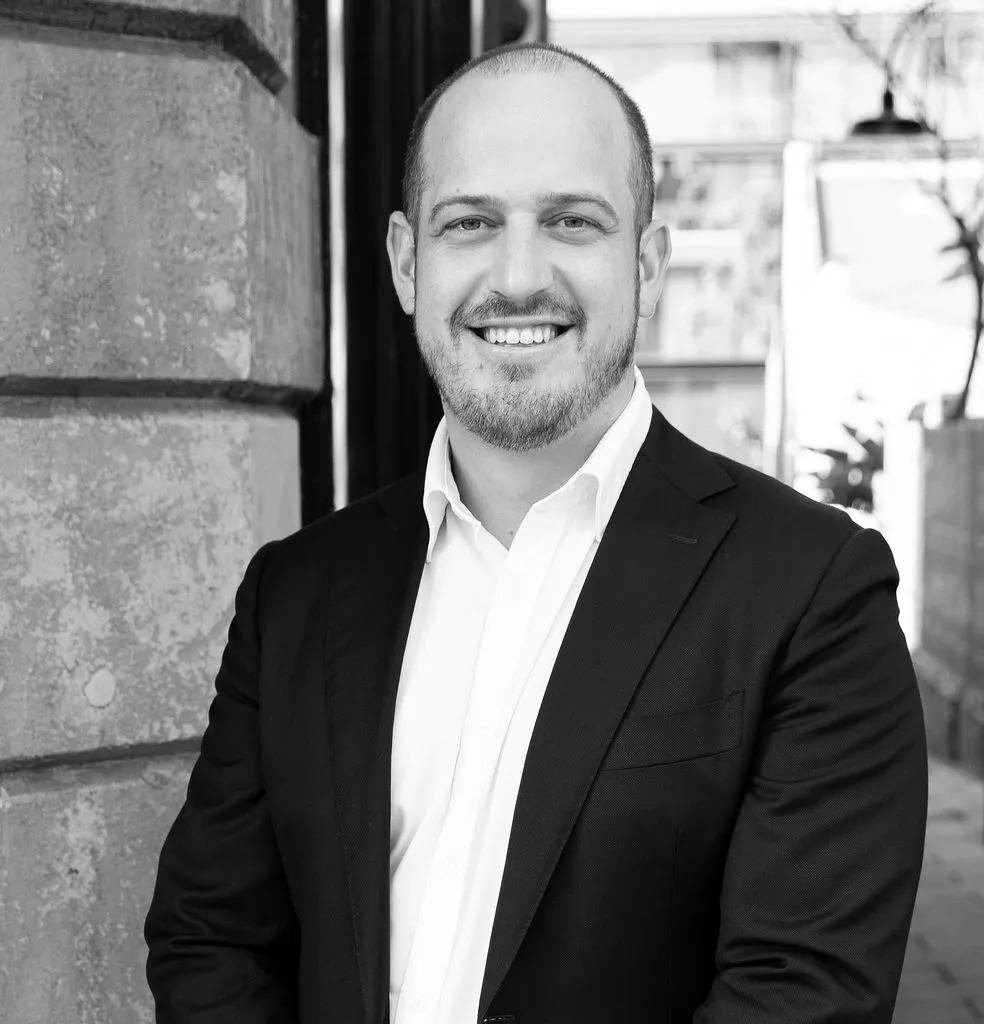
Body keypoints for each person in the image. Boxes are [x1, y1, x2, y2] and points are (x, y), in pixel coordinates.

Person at [144, 41, 928, 1024]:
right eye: (470, 223)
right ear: (407, 263)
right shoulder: (294, 591)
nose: (518, 277)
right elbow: (211, 938)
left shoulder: (812, 590)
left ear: (647, 263)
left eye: (571, 221)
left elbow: (802, 995)